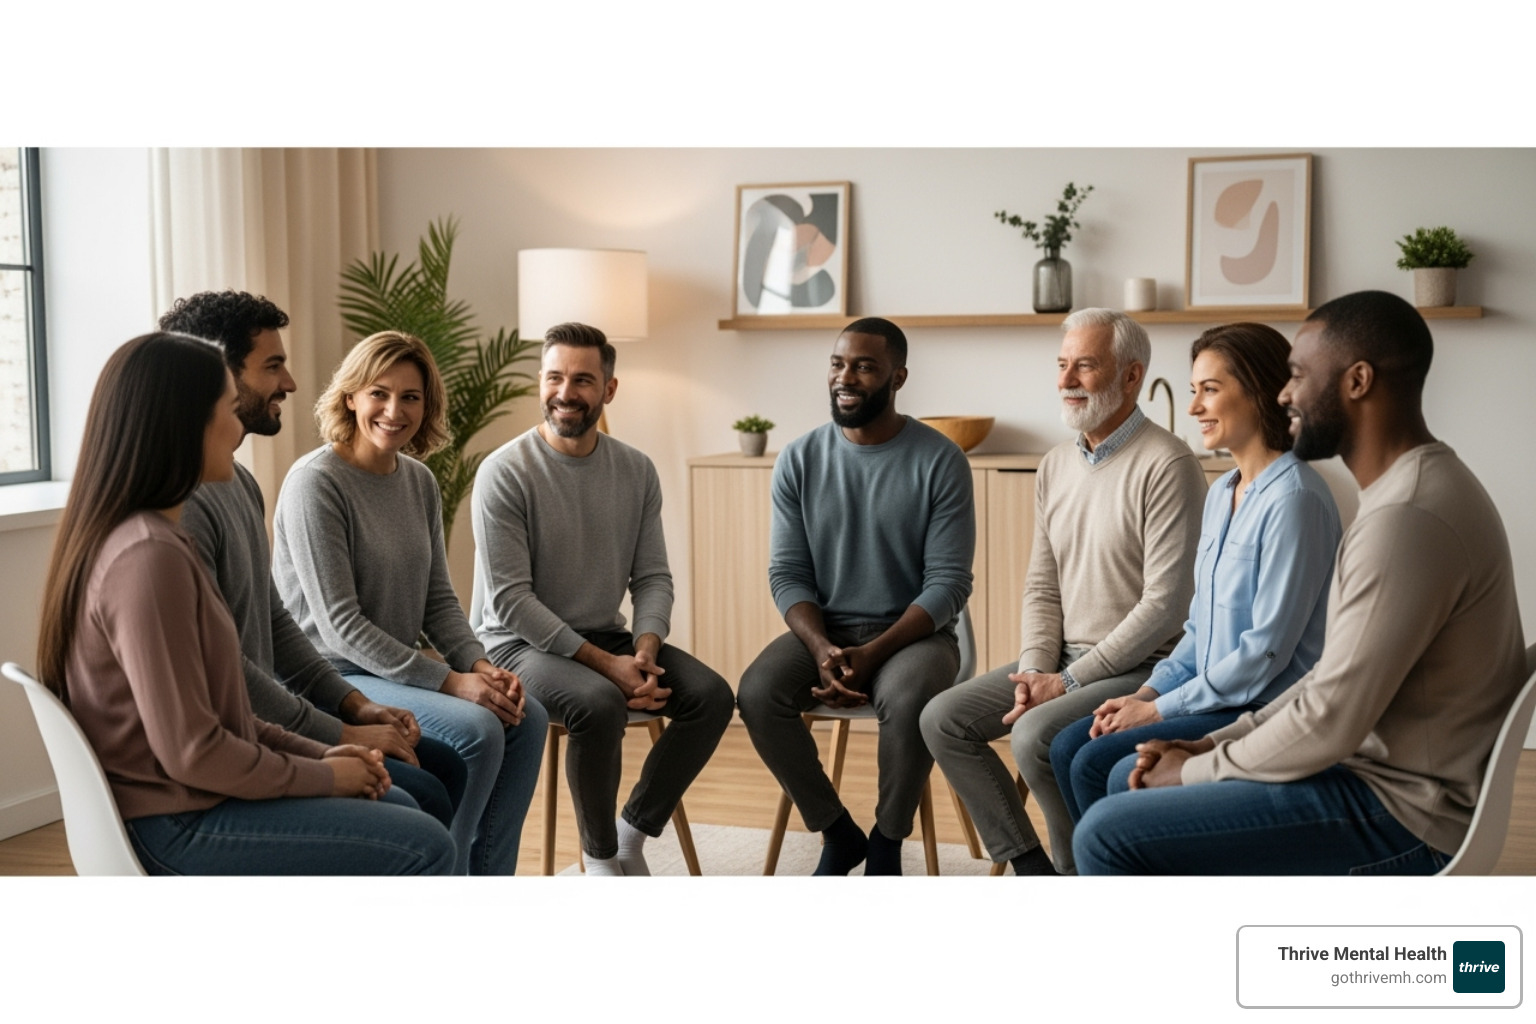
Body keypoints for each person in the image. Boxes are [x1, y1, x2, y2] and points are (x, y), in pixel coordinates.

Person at [1074, 291, 1527, 875]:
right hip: (1374, 775)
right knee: (1119, 785)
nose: (1283, 394)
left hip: (1401, 813)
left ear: (1357, 382)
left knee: (1108, 836)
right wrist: (1212, 744)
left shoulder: (1405, 520)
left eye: (1298, 376)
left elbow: (1328, 717)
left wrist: (1193, 768)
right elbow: (1328, 687)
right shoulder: (1411, 493)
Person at [36, 332, 454, 874]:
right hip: (178, 822)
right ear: (185, 424)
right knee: (424, 841)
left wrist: (324, 753)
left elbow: (225, 714)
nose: (238, 429)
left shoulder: (158, 541)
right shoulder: (147, 559)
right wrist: (326, 773)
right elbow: (195, 752)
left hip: (193, 795)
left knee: (408, 803)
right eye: (229, 410)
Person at [161, 290, 467, 832]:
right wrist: (341, 731)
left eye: (412, 397)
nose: (291, 383)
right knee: (421, 801)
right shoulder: (179, 510)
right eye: (273, 365)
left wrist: (354, 708)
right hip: (230, 759)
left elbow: (274, 624)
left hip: (267, 724)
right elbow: (226, 672)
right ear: (218, 373)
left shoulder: (240, 482)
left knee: (443, 771)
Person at [920, 307, 1206, 875]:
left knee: (1031, 737)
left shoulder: (1168, 463)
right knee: (941, 719)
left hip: (1144, 665)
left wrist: (1067, 681)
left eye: (1085, 366)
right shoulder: (1054, 465)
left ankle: (1084, 871)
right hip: (1061, 662)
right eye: (1062, 365)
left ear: (1131, 376)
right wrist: (1032, 674)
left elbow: (1165, 604)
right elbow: (1041, 585)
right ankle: (1035, 870)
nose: (1066, 380)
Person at [272, 330, 547, 875]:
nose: (394, 410)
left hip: (394, 672)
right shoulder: (315, 483)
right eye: (379, 392)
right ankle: (439, 872)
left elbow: (438, 600)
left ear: (427, 405)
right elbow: (340, 625)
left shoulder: (418, 481)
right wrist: (450, 683)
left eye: (410, 397)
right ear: (351, 396)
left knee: (528, 716)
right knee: (476, 729)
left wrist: (481, 667)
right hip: (335, 677)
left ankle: (489, 879)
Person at [1049, 322, 1341, 821]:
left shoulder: (1295, 499)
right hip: (1209, 695)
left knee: (1095, 763)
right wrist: (1143, 694)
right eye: (1193, 391)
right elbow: (1199, 627)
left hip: (1256, 710)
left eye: (1210, 390)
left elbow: (1263, 654)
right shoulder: (1223, 491)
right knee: (1066, 746)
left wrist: (1159, 710)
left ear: (1261, 391)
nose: (1193, 408)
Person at [473, 322, 733, 876]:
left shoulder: (635, 469)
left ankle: (632, 831)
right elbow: (512, 600)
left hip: (606, 635)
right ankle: (599, 861)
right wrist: (607, 667)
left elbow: (654, 576)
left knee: (711, 696)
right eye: (554, 377)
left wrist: (644, 648)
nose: (565, 392)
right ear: (539, 382)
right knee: (597, 702)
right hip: (514, 644)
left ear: (609, 390)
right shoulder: (503, 472)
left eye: (583, 380)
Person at [736, 317, 974, 875]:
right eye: (838, 364)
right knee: (757, 692)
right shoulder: (799, 458)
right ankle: (836, 832)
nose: (846, 377)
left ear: (898, 377)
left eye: (865, 366)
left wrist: (871, 656)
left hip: (916, 637)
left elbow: (948, 584)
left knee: (909, 697)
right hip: (827, 630)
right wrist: (822, 647)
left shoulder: (941, 460)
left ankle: (888, 842)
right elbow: (787, 572)